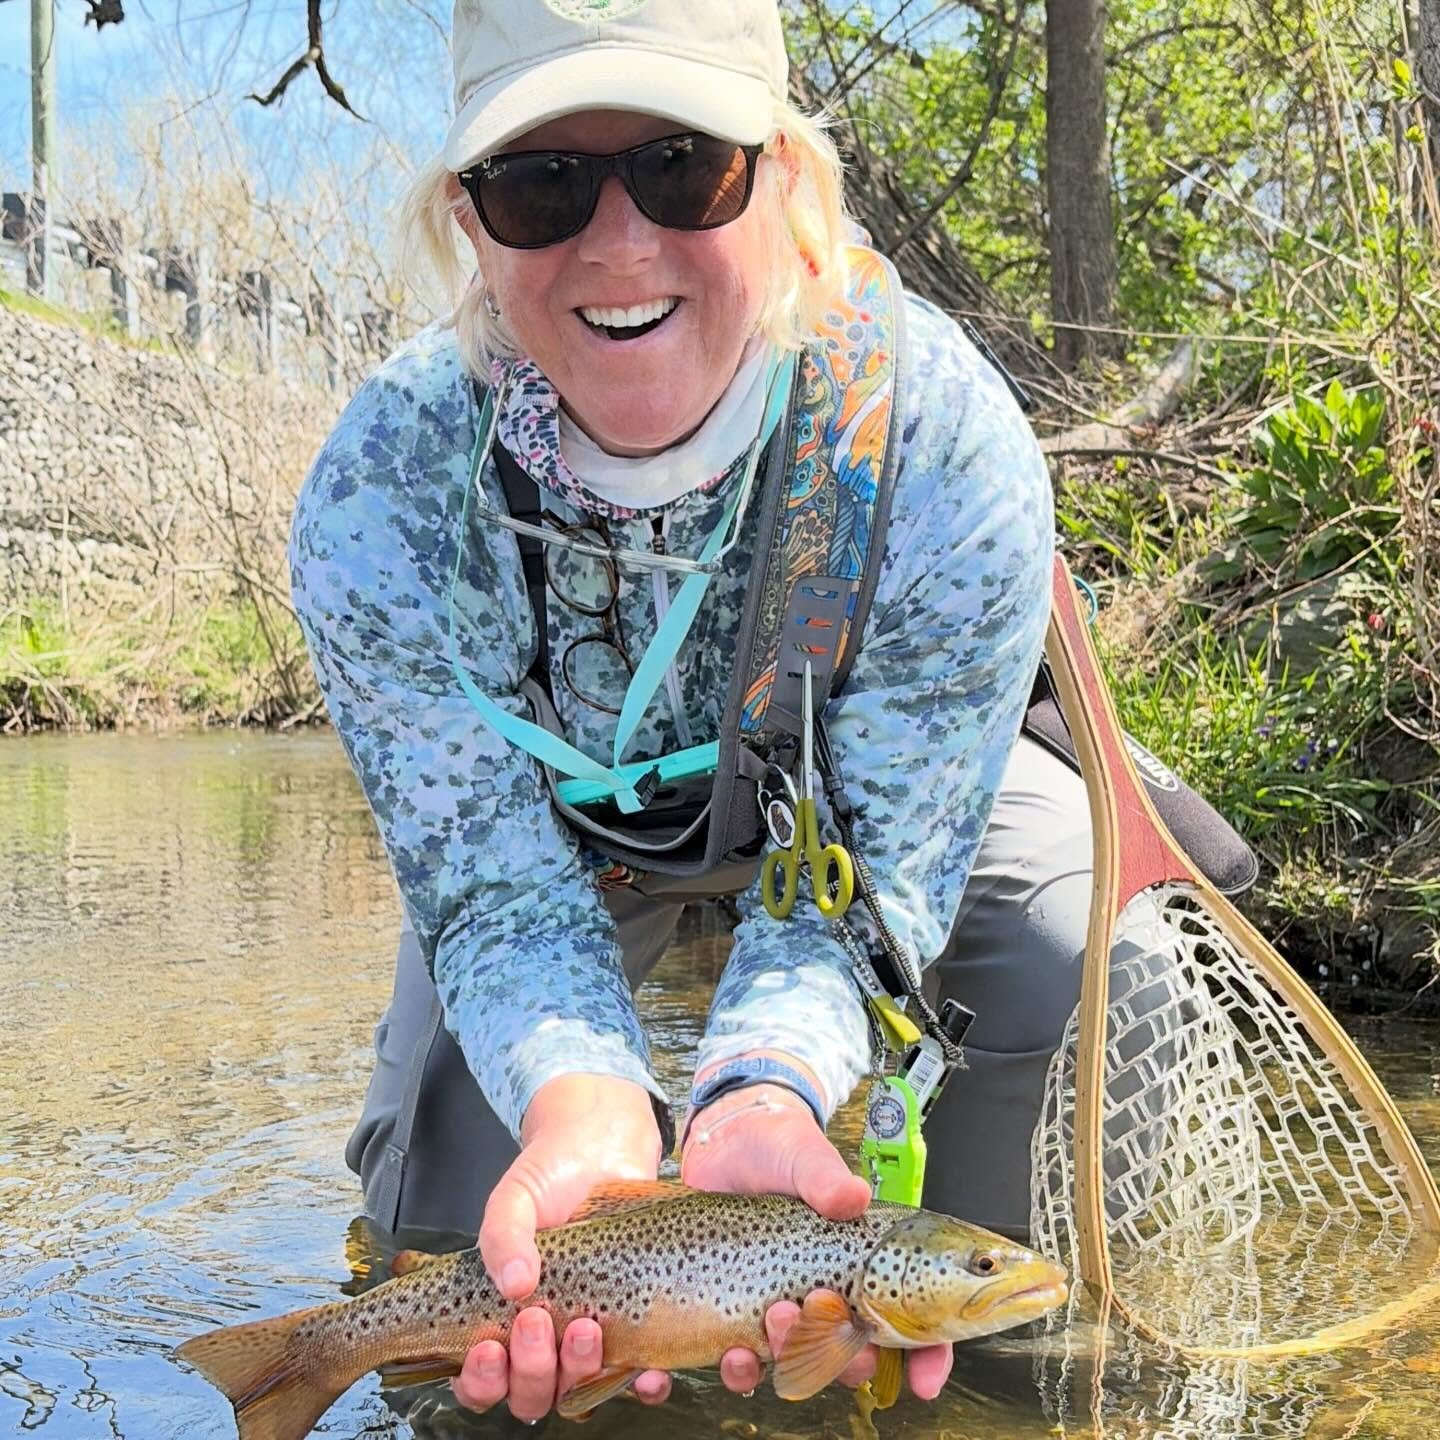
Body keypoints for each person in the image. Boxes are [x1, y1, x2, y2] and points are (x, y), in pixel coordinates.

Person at [289, 0, 1085, 1424]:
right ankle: (344, 1360)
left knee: (1055, 923)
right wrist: (584, 1095)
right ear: (468, 223)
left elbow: (877, 873)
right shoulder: (382, 497)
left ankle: (995, 1364)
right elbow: (489, 893)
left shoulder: (948, 448)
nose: (617, 244)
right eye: (539, 185)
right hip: (554, 855)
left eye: (681, 168)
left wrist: (767, 1085)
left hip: (845, 812)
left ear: (785, 181)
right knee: (474, 1264)